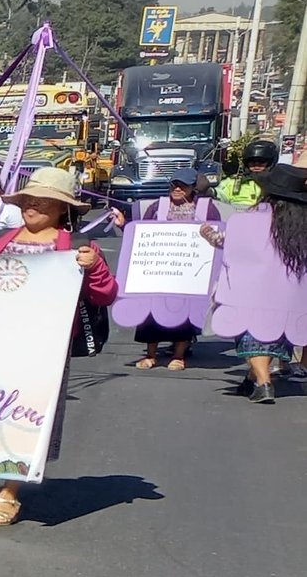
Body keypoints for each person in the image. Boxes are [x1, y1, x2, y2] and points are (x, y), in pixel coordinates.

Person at [0, 167, 117, 525]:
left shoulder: (80, 247)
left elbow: (105, 294)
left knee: (26, 417)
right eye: (27, 200)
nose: (31, 206)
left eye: (42, 201)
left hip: (44, 350)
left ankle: (10, 491)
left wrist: (93, 268)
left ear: (62, 207)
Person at [205, 161, 307, 405]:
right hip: (292, 295)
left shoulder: (249, 220)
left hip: (252, 291)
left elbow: (225, 242)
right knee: (274, 336)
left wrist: (207, 234)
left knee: (253, 336)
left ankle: (263, 383)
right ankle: (252, 379)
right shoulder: (302, 224)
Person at [116, 168, 220, 369]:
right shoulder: (157, 207)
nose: (178, 189)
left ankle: (179, 356)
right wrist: (124, 226)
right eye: (175, 185)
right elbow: (140, 234)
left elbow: (216, 236)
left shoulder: (206, 208)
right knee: (151, 314)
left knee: (184, 314)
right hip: (158, 270)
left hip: (189, 272)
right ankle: (151, 355)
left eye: (184, 185)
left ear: (193, 188)